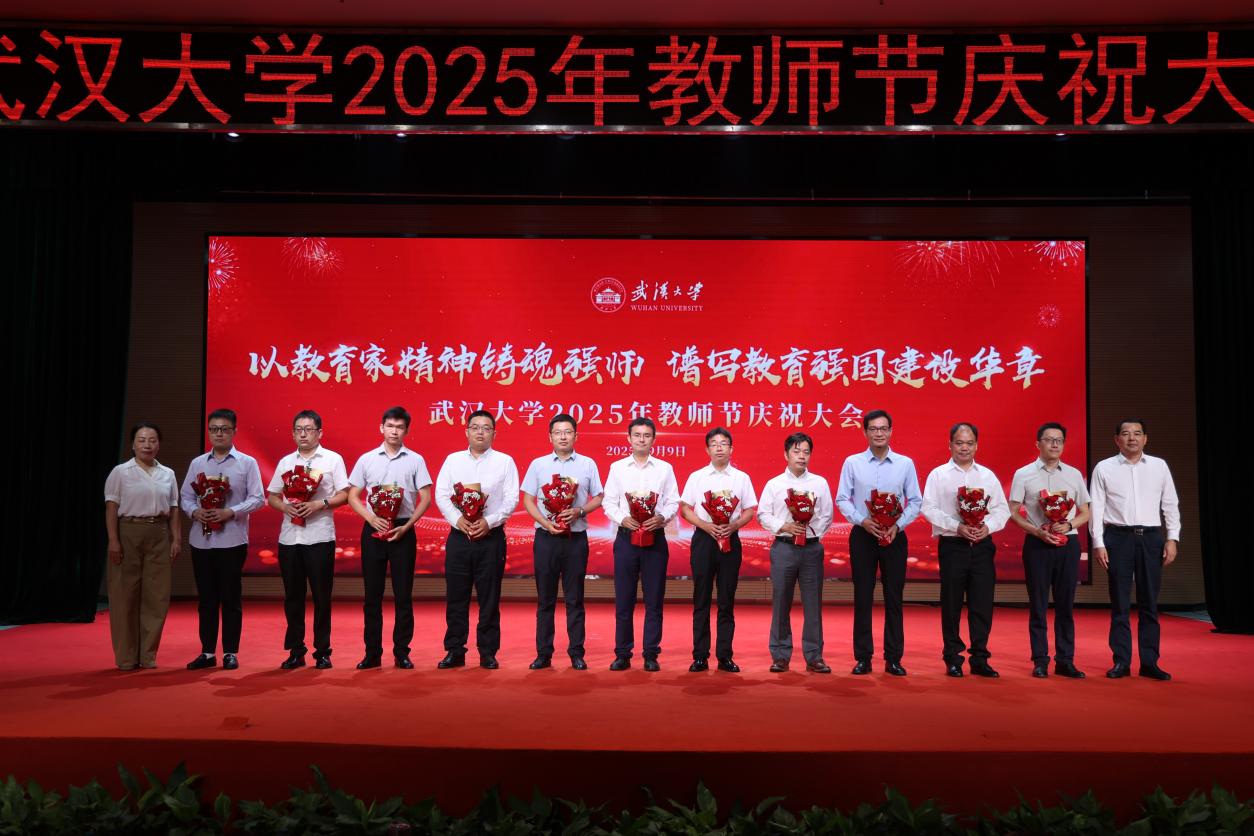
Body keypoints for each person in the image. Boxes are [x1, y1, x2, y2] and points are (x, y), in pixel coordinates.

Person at [1089, 419, 1180, 681]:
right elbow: (1096, 508)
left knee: (1149, 602)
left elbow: (1170, 504)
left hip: (1151, 538)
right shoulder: (1104, 467)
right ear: (1117, 439)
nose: (1132, 438)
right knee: (1119, 602)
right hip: (1118, 538)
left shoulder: (1159, 466)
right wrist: (1098, 543)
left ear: (1145, 439)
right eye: (1126, 434)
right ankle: (1121, 661)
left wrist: (1172, 538)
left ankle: (1150, 662)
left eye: (1137, 434)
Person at [835, 409, 923, 676]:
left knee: (894, 597)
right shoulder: (852, 462)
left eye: (883, 428)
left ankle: (893, 658)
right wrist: (862, 520)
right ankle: (863, 657)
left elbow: (915, 501)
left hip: (895, 536)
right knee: (863, 596)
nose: (879, 433)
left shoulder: (905, 464)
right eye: (873, 429)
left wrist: (898, 525)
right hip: (863, 535)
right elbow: (842, 498)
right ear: (865, 432)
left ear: (891, 431)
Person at [921, 422, 1010, 678]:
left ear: (976, 446)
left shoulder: (988, 476)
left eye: (969, 443)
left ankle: (980, 658)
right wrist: (957, 526)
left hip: (982, 546)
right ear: (950, 445)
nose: (964, 448)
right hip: (953, 545)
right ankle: (952, 658)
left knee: (982, 603)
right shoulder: (938, 474)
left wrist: (987, 527)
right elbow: (928, 508)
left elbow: (1001, 509)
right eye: (959, 443)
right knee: (951, 604)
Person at [346, 406, 432, 670]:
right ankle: (372, 653)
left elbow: (426, 498)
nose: (394, 431)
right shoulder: (367, 459)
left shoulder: (415, 460)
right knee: (372, 596)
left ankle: (402, 652)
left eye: (399, 427)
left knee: (403, 595)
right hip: (373, 529)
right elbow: (352, 495)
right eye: (390, 426)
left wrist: (407, 527)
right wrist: (371, 518)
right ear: (381, 428)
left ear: (406, 430)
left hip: (403, 530)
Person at [433, 409, 520, 670]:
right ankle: (455, 650)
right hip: (459, 537)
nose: (480, 432)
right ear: (467, 431)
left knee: (489, 597)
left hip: (490, 537)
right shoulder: (452, 460)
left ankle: (488, 652)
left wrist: (488, 521)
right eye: (475, 427)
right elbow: (441, 494)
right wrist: (457, 520)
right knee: (456, 596)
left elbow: (511, 498)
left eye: (486, 428)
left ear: (494, 433)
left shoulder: (505, 461)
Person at [179, 409, 265, 671]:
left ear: (234, 431)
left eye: (224, 429)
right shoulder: (198, 463)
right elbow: (185, 497)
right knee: (206, 599)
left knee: (230, 598)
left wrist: (231, 511)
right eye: (214, 429)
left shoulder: (247, 463)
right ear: (209, 432)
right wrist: (195, 512)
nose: (219, 433)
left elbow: (258, 498)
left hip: (232, 541)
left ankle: (230, 652)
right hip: (201, 541)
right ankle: (207, 652)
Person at [266, 410, 350, 670]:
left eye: (309, 429)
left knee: (322, 597)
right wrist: (286, 507)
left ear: (319, 433)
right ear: (293, 433)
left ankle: (322, 651)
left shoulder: (333, 459)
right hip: (290, 539)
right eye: (298, 429)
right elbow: (273, 496)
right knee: (293, 597)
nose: (303, 434)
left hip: (320, 537)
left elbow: (344, 494)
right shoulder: (285, 462)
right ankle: (296, 650)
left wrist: (319, 504)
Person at [520, 413, 603, 670]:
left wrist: (580, 511)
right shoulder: (538, 465)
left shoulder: (588, 464)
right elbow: (527, 500)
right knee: (545, 599)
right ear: (550, 437)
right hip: (546, 538)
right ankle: (543, 653)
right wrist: (545, 523)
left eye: (568, 432)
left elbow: (599, 497)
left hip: (575, 539)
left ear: (576, 436)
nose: (563, 437)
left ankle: (576, 652)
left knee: (575, 598)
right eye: (558, 432)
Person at [1007, 422, 1090, 679]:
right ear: (1038, 444)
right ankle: (1040, 660)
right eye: (1049, 439)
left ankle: (1065, 660)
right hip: (1037, 544)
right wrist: (1036, 531)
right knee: (1038, 604)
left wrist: (1069, 525)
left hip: (1068, 545)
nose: (1055, 444)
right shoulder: (1023, 474)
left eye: (1059, 440)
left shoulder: (1074, 474)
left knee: (1065, 605)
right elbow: (1013, 512)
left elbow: (1086, 511)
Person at [602, 417, 680, 671]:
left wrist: (662, 517)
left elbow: (673, 501)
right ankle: (622, 653)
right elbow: (608, 502)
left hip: (655, 539)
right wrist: (622, 518)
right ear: (629, 438)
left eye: (647, 435)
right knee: (624, 599)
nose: (642, 439)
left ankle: (651, 654)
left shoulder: (664, 469)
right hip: (626, 538)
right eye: (637, 435)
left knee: (654, 600)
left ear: (653, 439)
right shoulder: (617, 468)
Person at [103, 422, 181, 670]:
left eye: (152, 440)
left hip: (159, 532)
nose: (147, 445)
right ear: (133, 444)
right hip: (128, 531)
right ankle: (126, 657)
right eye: (142, 440)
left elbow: (174, 509)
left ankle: (148, 654)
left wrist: (176, 539)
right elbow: (111, 508)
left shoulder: (167, 473)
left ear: (159, 444)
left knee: (156, 596)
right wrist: (113, 540)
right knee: (124, 595)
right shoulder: (120, 472)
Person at [679, 427, 757, 673]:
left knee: (726, 599)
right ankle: (700, 656)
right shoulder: (697, 477)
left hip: (730, 540)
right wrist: (706, 526)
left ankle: (725, 656)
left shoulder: (741, 478)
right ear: (707, 449)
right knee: (701, 598)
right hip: (704, 540)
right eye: (714, 444)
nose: (719, 447)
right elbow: (685, 508)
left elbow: (749, 510)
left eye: (724, 443)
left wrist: (733, 525)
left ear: (731, 449)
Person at [757, 432, 834, 674]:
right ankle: (780, 655)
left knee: (813, 604)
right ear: (786, 454)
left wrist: (809, 532)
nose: (802, 456)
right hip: (784, 548)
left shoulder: (820, 483)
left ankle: (814, 656)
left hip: (811, 549)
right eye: (796, 451)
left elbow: (827, 515)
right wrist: (785, 527)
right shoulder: (774, 484)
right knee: (781, 602)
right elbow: (763, 514)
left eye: (806, 452)